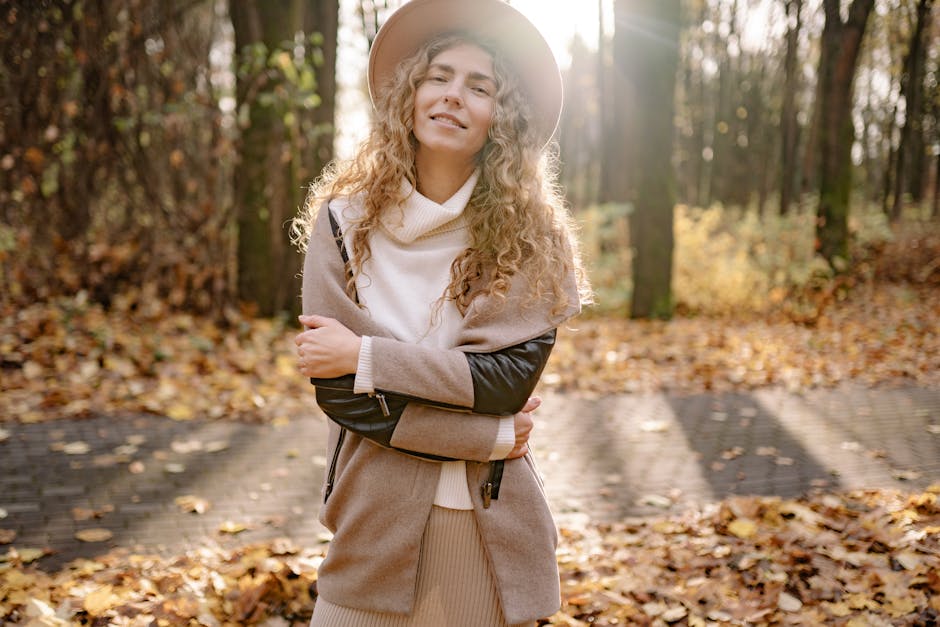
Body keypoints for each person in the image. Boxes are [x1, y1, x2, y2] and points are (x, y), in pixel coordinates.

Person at [292, 0, 590, 624]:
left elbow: (503, 383)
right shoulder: (342, 223)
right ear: (410, 93)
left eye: (479, 87)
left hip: (482, 519)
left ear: (499, 118)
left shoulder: (533, 237)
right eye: (439, 76)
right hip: (370, 519)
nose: (454, 95)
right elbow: (342, 394)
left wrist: (367, 357)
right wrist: (486, 436)